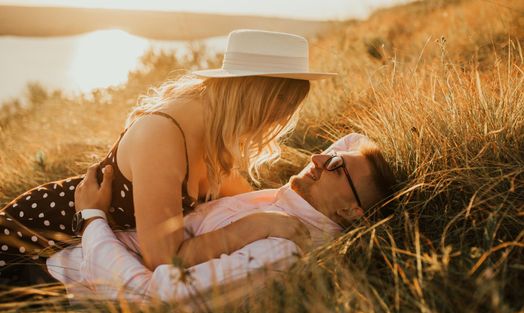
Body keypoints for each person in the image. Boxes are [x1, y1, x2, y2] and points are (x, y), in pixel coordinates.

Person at [0, 29, 337, 285]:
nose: (279, 120)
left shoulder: (217, 133)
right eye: (280, 107)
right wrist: (260, 225)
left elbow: (246, 200)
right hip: (31, 243)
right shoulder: (163, 134)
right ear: (252, 95)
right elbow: (164, 258)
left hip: (81, 253)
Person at [48, 133, 397, 303]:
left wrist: (90, 218)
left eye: (335, 164)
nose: (319, 157)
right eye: (331, 153)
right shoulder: (286, 205)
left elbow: (158, 297)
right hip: (59, 257)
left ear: (352, 211)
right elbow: (354, 141)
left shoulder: (281, 249)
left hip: (57, 288)